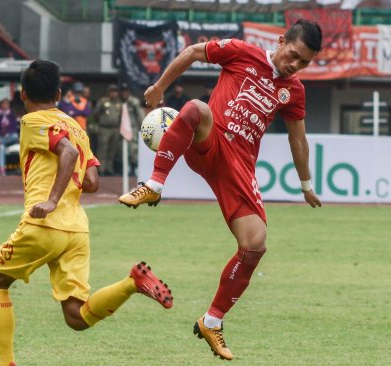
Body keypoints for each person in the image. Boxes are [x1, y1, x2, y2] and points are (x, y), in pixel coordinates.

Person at [119, 20, 324, 360]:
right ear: (282, 40)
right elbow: (193, 52)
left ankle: (211, 321)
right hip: (211, 141)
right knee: (197, 109)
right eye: (294, 55)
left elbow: (297, 138)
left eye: (305, 63)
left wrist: (306, 185)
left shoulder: (294, 90)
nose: (296, 65)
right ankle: (154, 185)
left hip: (239, 166)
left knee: (255, 245)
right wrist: (158, 88)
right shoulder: (243, 52)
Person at [0, 60, 173, 366]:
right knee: (76, 316)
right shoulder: (76, 127)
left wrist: (51, 199)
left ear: (22, 94)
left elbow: (67, 154)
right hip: (77, 230)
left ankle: (5, 362)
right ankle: (132, 282)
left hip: (44, 223)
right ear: (59, 93)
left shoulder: (32, 121)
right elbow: (92, 181)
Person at [93, 84, 123, 175]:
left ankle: (109, 169)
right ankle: (101, 169)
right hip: (104, 128)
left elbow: (121, 116)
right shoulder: (103, 101)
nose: (113, 93)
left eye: (115, 91)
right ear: (109, 92)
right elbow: (96, 114)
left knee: (112, 150)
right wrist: (102, 121)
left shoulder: (119, 103)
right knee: (102, 149)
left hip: (115, 129)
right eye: (112, 91)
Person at [119, 83, 144, 176]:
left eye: (126, 91)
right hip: (120, 129)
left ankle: (135, 167)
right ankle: (127, 168)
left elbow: (140, 115)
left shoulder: (134, 101)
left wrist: (141, 128)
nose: (124, 93)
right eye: (123, 91)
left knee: (133, 149)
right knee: (123, 149)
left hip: (132, 128)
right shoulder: (119, 101)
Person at [0, 98, 19, 176]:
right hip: (0, 137)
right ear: (1, 105)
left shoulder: (12, 116)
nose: (5, 105)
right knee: (1, 147)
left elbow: (14, 129)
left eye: (7, 104)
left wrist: (7, 134)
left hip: (10, 137)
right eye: (4, 104)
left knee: (15, 136)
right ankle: (2, 169)